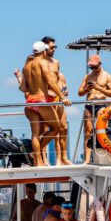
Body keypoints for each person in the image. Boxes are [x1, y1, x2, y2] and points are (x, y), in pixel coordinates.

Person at [18, 41, 69, 166]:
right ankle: (37, 153)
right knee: (57, 128)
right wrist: (62, 97)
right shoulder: (42, 63)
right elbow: (50, 82)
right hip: (41, 101)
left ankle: (37, 160)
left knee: (35, 135)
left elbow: (23, 88)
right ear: (44, 50)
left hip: (30, 102)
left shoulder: (27, 66)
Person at [78, 54, 111, 163]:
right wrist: (87, 89)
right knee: (88, 132)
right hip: (89, 105)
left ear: (100, 64)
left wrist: (98, 87)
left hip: (101, 104)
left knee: (102, 130)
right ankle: (86, 159)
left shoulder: (107, 76)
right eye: (91, 67)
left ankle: (104, 157)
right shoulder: (87, 76)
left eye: (94, 66)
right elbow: (79, 92)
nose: (93, 69)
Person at [42, 36, 72, 165]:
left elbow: (57, 79)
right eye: (52, 47)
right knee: (46, 130)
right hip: (45, 99)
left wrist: (63, 91)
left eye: (55, 47)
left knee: (63, 127)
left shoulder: (56, 62)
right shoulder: (39, 63)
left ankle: (62, 158)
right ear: (44, 47)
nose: (54, 49)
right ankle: (43, 159)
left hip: (58, 98)